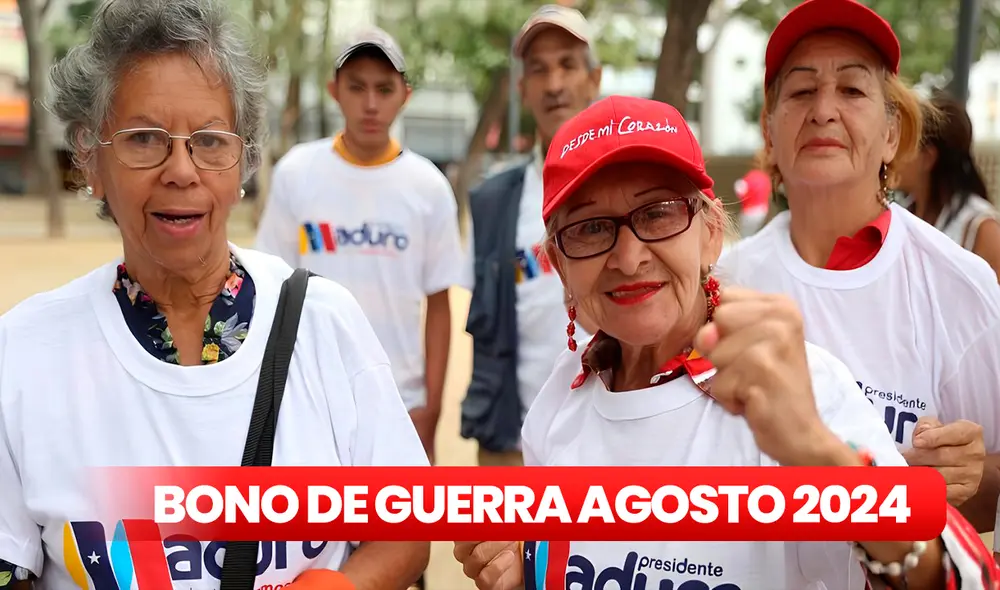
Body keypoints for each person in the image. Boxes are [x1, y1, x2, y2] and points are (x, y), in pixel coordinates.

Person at [453, 94, 999, 590]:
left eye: (659, 213)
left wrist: (814, 451)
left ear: (711, 232)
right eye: (590, 228)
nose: (628, 256)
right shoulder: (556, 408)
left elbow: (950, 578)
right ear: (561, 267)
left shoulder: (798, 391)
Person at [0, 1, 429, 588]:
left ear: (243, 161)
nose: (182, 169)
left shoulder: (324, 324)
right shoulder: (22, 355)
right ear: (89, 158)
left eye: (209, 140)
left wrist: (345, 583)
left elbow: (404, 529)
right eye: (145, 138)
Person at [718, 0, 1000, 533]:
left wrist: (972, 475)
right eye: (801, 91)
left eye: (852, 90)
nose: (824, 110)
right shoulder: (723, 286)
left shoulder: (962, 285)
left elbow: (990, 493)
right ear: (769, 132)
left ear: (892, 134)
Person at [254, 26, 467, 465]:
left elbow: (439, 303)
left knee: (403, 529)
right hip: (312, 391)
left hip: (402, 398)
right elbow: (271, 289)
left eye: (384, 89)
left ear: (404, 95)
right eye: (357, 87)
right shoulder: (297, 173)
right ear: (334, 91)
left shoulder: (428, 186)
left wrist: (432, 408)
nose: (370, 104)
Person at [461, 4, 601, 468]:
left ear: (594, 79)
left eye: (568, 64)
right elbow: (483, 334)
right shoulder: (494, 204)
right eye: (539, 70)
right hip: (513, 447)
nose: (555, 83)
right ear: (523, 89)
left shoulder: (631, 194)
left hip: (610, 440)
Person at [894, 92, 1000, 281]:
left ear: (928, 157)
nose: (891, 156)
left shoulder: (981, 228)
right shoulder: (900, 214)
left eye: (903, 146)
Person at [734, 168, 771, 237]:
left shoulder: (748, 178)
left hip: (749, 212)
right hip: (763, 211)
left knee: (746, 236)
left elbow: (740, 192)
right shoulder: (765, 178)